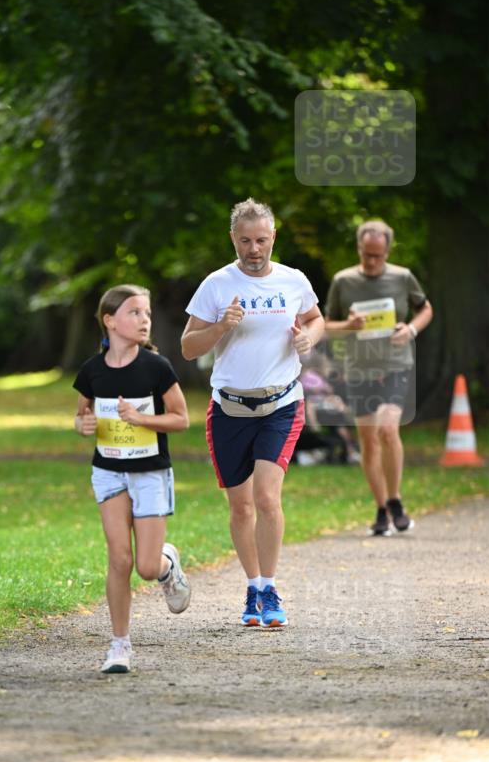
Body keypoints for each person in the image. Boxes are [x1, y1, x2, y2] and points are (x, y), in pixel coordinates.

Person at [181, 198, 325, 629]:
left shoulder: (293, 280)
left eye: (261, 240)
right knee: (241, 507)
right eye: (245, 240)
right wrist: (221, 326)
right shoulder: (216, 285)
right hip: (229, 408)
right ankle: (252, 586)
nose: (254, 248)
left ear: (273, 237)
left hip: (281, 403)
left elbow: (316, 319)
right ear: (233, 239)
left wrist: (308, 339)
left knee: (266, 496)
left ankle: (270, 588)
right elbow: (188, 347)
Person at [73, 284, 191, 674]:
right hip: (108, 471)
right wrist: (84, 424)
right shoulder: (92, 371)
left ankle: (167, 565)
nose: (144, 321)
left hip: (150, 473)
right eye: (134, 313)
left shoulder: (157, 368)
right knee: (119, 559)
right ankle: (119, 646)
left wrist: (142, 419)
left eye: (147, 314)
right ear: (110, 321)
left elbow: (181, 418)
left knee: (144, 566)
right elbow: (81, 416)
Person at [325, 220, 433, 536]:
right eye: (366, 254)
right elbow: (326, 324)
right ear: (359, 248)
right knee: (369, 443)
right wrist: (349, 326)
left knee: (388, 429)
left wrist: (411, 329)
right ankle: (381, 508)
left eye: (378, 256)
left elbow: (426, 309)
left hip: (396, 365)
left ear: (387, 251)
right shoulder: (343, 281)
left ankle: (395, 498)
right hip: (359, 370)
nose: (372, 262)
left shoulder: (402, 277)